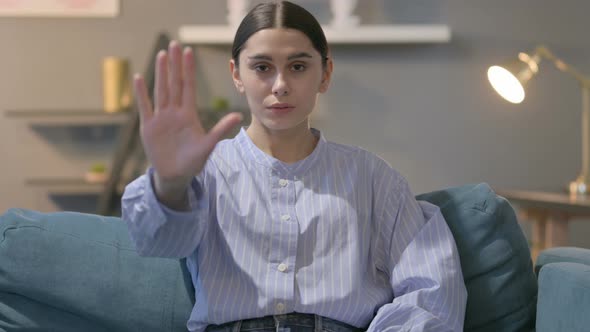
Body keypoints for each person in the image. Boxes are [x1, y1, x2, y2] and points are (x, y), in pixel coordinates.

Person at [122, 1, 467, 331]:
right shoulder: (205, 171)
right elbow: (156, 243)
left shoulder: (375, 179)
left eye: (298, 67)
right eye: (261, 67)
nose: (281, 85)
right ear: (236, 74)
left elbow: (430, 294)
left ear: (325, 73)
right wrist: (169, 184)